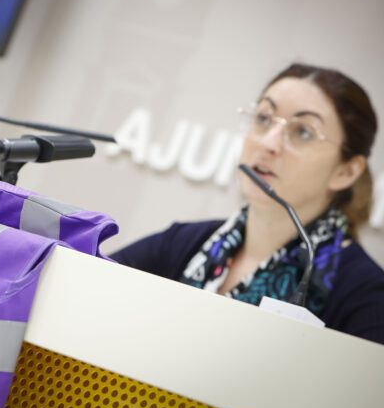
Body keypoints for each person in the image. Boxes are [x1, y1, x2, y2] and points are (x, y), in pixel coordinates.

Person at [110, 63, 384, 345]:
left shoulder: (367, 296)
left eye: (303, 132)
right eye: (264, 118)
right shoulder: (182, 242)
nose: (268, 143)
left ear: (346, 171)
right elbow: (93, 292)